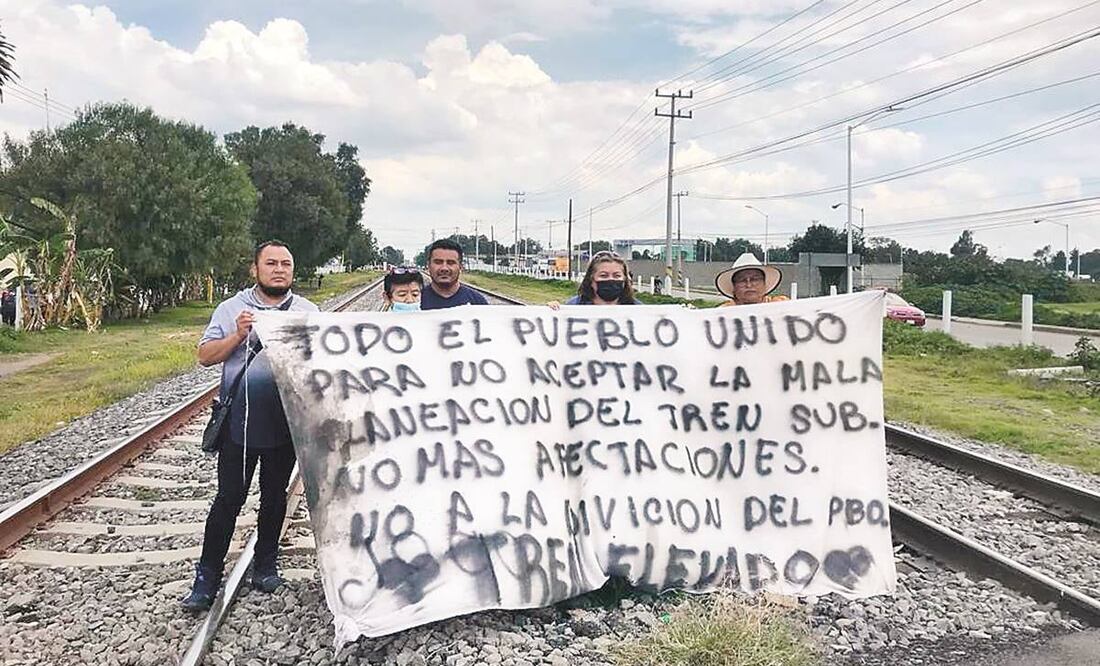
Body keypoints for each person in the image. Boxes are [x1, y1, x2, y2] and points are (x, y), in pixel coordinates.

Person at [182, 240, 319, 612]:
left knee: (275, 498)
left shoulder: (307, 311)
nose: (279, 269)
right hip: (239, 426)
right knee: (229, 499)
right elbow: (204, 357)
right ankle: (206, 576)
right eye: (271, 263)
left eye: (286, 264)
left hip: (285, 425)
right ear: (255, 269)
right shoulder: (231, 309)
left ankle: (265, 563)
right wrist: (238, 335)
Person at [549, 251, 641, 307]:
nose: (610, 279)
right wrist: (550, 312)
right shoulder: (575, 305)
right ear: (591, 279)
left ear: (624, 279)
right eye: (603, 275)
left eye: (617, 276)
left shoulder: (639, 309)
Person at [420, 238, 489, 310]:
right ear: (428, 265)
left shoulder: (478, 303)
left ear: (460, 267)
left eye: (450, 263)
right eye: (438, 262)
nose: (444, 268)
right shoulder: (416, 301)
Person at [714, 252, 789, 307]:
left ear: (764, 283)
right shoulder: (722, 312)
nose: (749, 285)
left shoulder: (782, 305)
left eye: (755, 279)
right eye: (742, 280)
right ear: (733, 287)